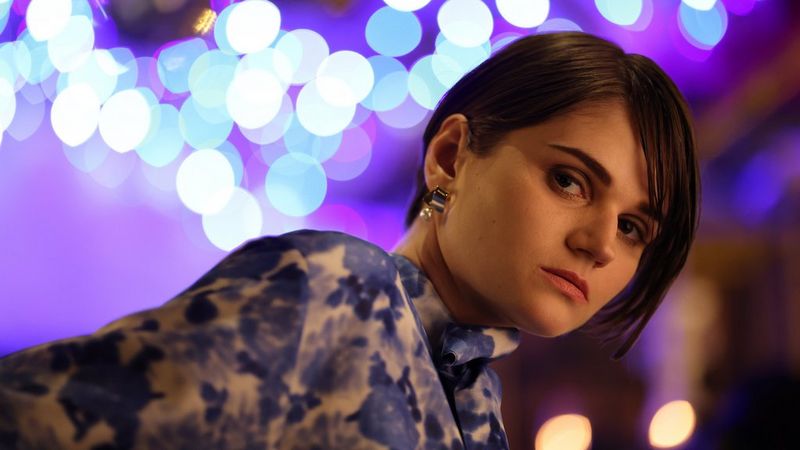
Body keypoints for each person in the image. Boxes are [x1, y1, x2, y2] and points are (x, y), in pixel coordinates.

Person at [0, 31, 699, 449]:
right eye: (571, 181)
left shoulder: (475, 400)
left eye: (635, 227)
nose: (602, 244)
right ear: (451, 155)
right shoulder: (337, 292)